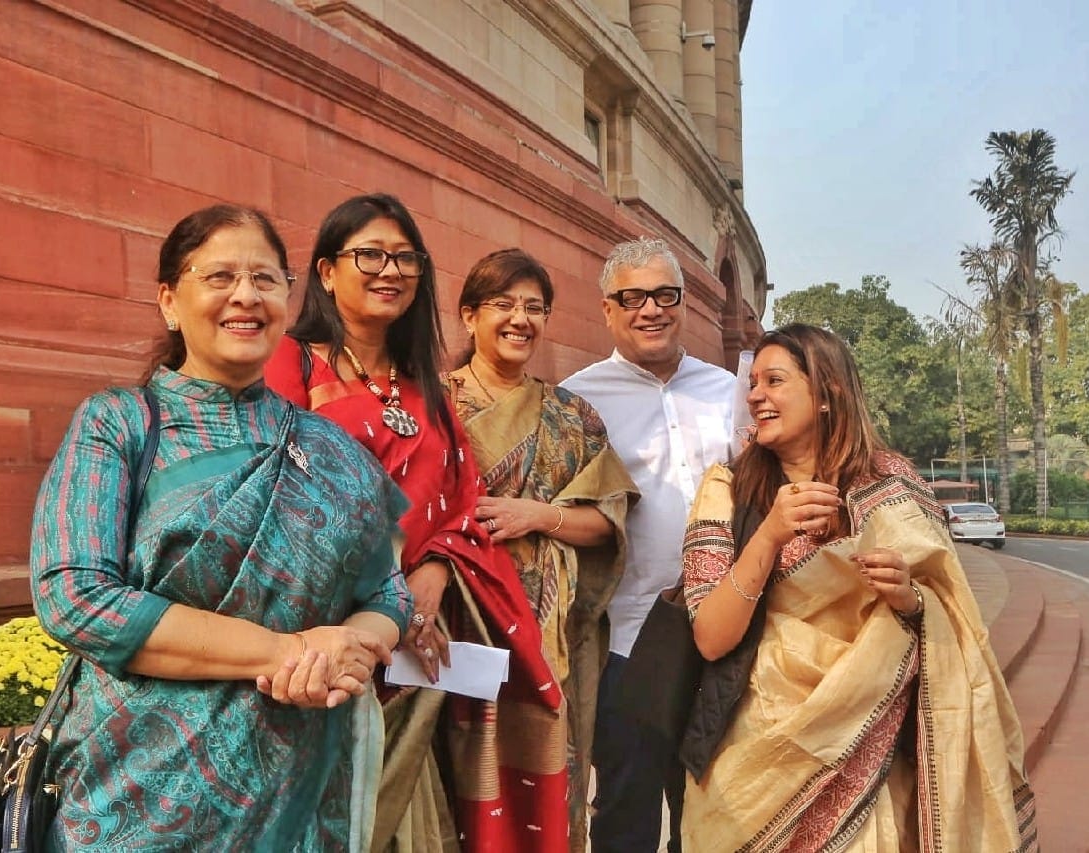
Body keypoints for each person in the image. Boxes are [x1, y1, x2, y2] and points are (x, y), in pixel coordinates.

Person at [31, 205, 412, 850]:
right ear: (169, 300)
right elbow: (76, 597)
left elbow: (389, 591)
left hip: (298, 792)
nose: (246, 296)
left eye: (266, 279)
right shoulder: (119, 424)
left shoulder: (330, 448)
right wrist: (285, 653)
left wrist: (348, 645)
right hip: (135, 794)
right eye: (220, 277)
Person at [264, 194, 564, 851]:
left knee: (421, 818)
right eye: (369, 254)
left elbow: (463, 498)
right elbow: (275, 495)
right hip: (326, 635)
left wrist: (434, 567)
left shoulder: (424, 386)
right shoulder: (292, 365)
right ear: (324, 271)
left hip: (420, 649)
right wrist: (383, 597)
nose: (389, 270)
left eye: (405, 258)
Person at [679, 323, 1036, 851]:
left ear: (827, 394)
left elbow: (948, 609)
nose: (756, 395)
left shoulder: (890, 483)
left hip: (872, 741)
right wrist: (772, 533)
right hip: (757, 752)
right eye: (753, 383)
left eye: (775, 381)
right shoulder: (729, 490)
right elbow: (710, 637)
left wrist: (907, 597)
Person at [559, 237, 750, 853]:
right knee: (626, 803)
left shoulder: (730, 392)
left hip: (730, 631)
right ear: (607, 310)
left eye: (665, 295)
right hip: (629, 634)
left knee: (713, 803)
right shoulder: (577, 401)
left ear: (682, 301)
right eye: (633, 298)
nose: (652, 310)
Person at [444, 248, 639, 847]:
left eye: (534, 307)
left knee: (550, 785)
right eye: (503, 304)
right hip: (458, 624)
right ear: (469, 315)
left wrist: (539, 516)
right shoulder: (430, 406)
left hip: (550, 636)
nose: (520, 319)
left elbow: (609, 519)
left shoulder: (572, 416)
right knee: (457, 777)